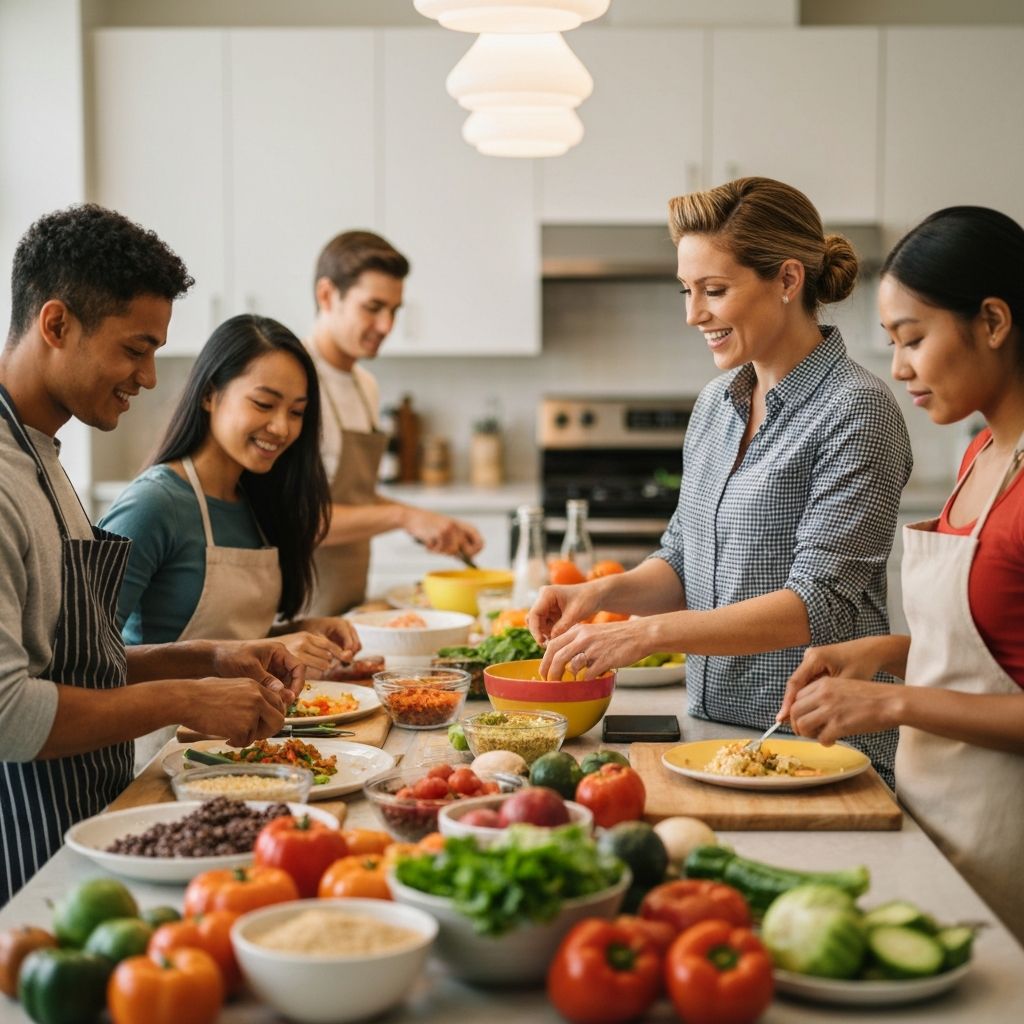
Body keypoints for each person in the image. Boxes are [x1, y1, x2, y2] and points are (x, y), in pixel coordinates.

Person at [529, 177, 913, 786]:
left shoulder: (856, 410)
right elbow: (684, 560)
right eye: (686, 290)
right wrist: (602, 597)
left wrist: (646, 634)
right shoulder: (716, 403)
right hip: (715, 730)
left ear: (788, 281)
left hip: (816, 744)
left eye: (714, 290)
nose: (693, 314)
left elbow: (820, 605)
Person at [0, 205, 302, 901]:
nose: (150, 378)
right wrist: (184, 696)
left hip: (96, 829)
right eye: (135, 349)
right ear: (56, 325)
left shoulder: (40, 456)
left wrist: (206, 658)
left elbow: (73, 661)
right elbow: (10, 713)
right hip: (28, 861)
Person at [777, 206, 1024, 940]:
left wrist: (891, 704)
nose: (900, 367)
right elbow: (997, 654)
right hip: (943, 825)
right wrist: (883, 654)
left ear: (992, 320)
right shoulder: (980, 455)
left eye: (914, 338)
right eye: (892, 343)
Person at [99, 314, 362, 769]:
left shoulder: (257, 501)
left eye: (297, 412)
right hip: (155, 761)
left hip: (241, 752)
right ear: (209, 395)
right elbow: (84, 663)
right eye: (264, 404)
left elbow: (231, 637)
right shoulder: (154, 505)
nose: (281, 427)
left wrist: (290, 635)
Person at [306, 230, 483, 614]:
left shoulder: (364, 385)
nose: (387, 325)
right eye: (373, 307)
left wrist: (428, 523)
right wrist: (405, 516)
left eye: (395, 310)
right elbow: (299, 518)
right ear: (326, 295)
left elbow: (352, 499)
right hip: (297, 614)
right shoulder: (292, 379)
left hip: (346, 609)